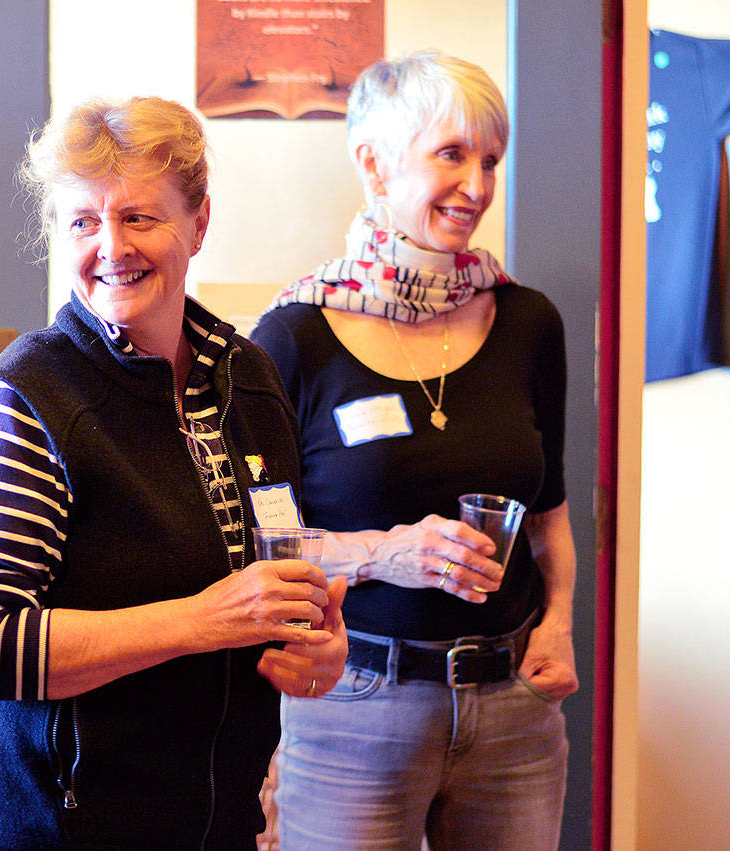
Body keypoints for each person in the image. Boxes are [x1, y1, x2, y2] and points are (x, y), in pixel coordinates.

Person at [0, 96, 348, 849]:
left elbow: (273, 572)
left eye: (139, 217)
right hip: (55, 828)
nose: (111, 245)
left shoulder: (249, 378)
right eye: (83, 221)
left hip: (217, 824)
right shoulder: (24, 399)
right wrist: (201, 621)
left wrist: (318, 646)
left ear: (198, 223)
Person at [250, 51, 578, 850]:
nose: (476, 185)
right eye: (452, 154)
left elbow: (550, 513)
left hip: (511, 708)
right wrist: (386, 555)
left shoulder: (528, 321)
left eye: (490, 159)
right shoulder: (293, 337)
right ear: (373, 161)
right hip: (353, 701)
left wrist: (560, 621)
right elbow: (266, 549)